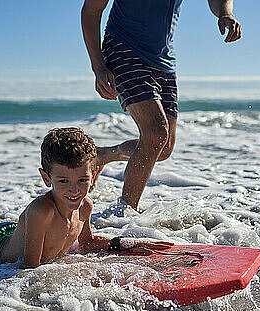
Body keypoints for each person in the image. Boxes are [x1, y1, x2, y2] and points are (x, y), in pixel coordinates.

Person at [83, 0, 242, 217]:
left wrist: (225, 13)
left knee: (163, 146)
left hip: (163, 60)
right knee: (156, 134)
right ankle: (124, 215)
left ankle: (104, 155)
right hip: (124, 47)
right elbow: (92, 10)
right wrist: (99, 67)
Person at [0, 127, 172, 266]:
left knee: (5, 228)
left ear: (94, 174)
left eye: (83, 180)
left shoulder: (85, 207)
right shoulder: (41, 211)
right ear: (46, 178)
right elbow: (28, 268)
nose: (75, 190)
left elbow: (88, 243)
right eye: (63, 181)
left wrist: (128, 245)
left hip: (21, 231)